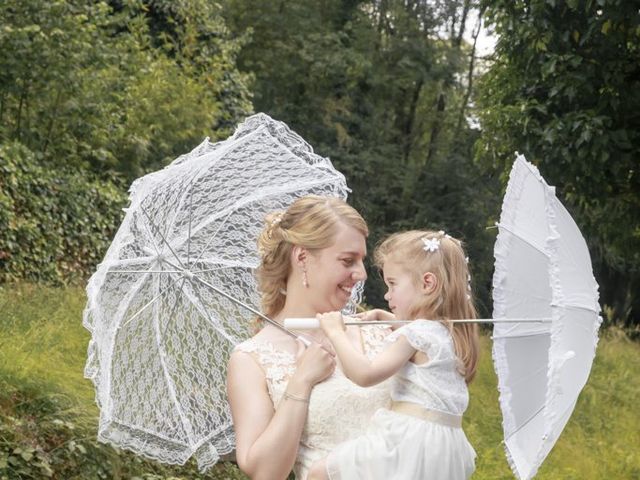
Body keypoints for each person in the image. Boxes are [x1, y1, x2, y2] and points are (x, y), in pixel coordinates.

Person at [226, 196, 391, 480]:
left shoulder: (379, 329)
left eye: (361, 261)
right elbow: (265, 472)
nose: (362, 274)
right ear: (302, 258)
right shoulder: (251, 360)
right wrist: (301, 382)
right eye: (348, 260)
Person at [308, 230, 480, 480]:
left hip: (409, 439)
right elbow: (423, 336)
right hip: (444, 444)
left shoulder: (416, 335)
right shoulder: (451, 333)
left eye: (393, 284)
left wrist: (336, 333)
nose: (388, 295)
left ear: (427, 284)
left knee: (319, 473)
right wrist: (383, 316)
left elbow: (365, 375)